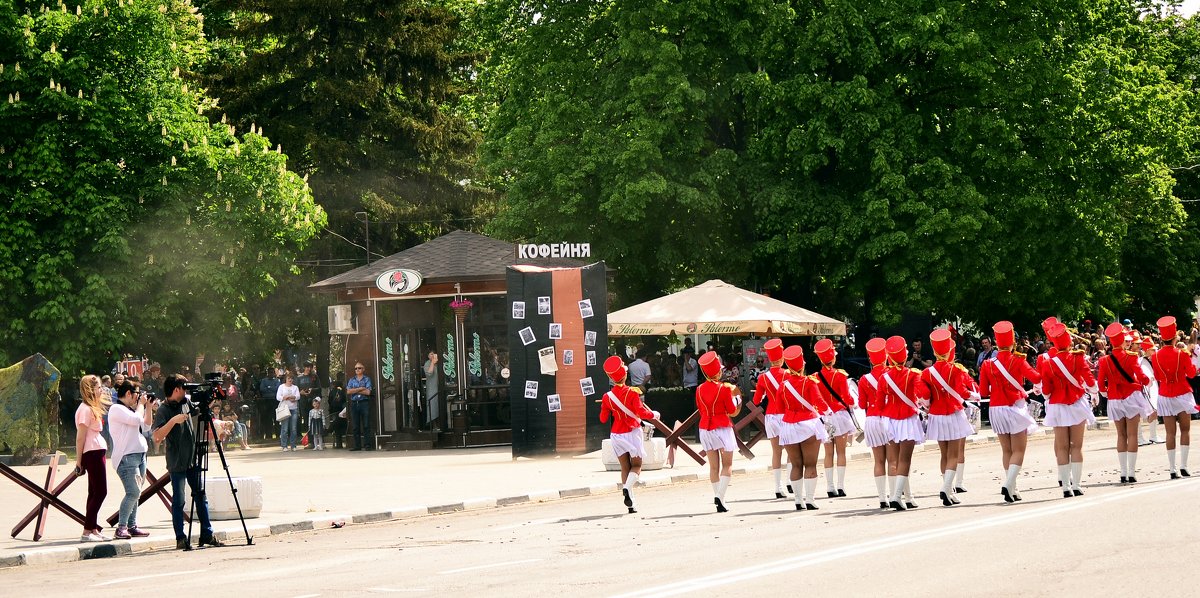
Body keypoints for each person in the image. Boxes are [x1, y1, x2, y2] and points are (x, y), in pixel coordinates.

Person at [152, 374, 226, 550]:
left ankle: (207, 534)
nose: (186, 391)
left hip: (193, 459)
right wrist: (173, 421)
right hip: (176, 461)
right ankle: (180, 537)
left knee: (201, 496)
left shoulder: (186, 402)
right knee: (179, 500)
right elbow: (156, 436)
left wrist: (209, 397)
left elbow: (199, 410)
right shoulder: (164, 409)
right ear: (176, 389)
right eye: (183, 388)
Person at [979, 321, 1042, 503]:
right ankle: (1008, 484)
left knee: (1006, 450)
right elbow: (1036, 377)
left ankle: (1013, 488)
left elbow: (984, 392)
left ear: (997, 343)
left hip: (995, 409)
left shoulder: (987, 364)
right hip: (1014, 407)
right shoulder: (1018, 360)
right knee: (1019, 449)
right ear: (1013, 342)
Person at [1038, 323, 1098, 497]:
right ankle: (1077, 485)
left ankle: (1066, 487)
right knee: (1076, 446)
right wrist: (1094, 393)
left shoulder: (1048, 364)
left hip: (1057, 406)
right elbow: (1090, 381)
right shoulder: (1078, 358)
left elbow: (1046, 392)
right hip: (1077, 404)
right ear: (1070, 343)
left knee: (1062, 447)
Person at [921, 329, 977, 507]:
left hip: (936, 415)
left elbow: (924, 396)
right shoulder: (956, 369)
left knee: (944, 455)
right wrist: (974, 396)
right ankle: (946, 488)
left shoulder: (927, 373)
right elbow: (963, 391)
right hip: (953, 412)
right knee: (954, 454)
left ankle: (950, 489)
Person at [600, 356, 659, 513]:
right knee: (637, 465)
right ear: (625, 375)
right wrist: (653, 414)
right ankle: (627, 488)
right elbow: (640, 412)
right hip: (632, 432)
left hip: (616, 434)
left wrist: (606, 406)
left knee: (624, 466)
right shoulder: (633, 392)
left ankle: (631, 504)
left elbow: (603, 418)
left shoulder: (607, 397)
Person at [1098, 322, 1153, 484]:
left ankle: (1122, 472)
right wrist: (1147, 381)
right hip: (1131, 397)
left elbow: (1101, 383)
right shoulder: (1131, 356)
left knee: (1121, 435)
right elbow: (1141, 377)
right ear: (1122, 340)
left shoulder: (1104, 360)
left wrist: (1107, 392)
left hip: (1115, 399)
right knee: (1132, 434)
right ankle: (1131, 472)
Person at [879, 336, 929, 511]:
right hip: (907, 418)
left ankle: (907, 497)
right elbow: (923, 395)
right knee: (905, 460)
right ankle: (896, 496)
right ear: (905, 353)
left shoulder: (884, 377)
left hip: (890, 419)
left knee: (897, 459)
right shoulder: (914, 374)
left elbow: (879, 403)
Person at [780, 345, 829, 511]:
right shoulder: (809, 382)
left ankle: (798, 501)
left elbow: (780, 407)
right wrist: (829, 413)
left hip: (788, 425)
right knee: (810, 464)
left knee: (795, 465)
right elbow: (819, 402)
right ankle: (810, 499)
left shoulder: (784, 385)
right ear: (802, 364)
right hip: (807, 424)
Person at [1150, 316, 1197, 478]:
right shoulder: (1182, 354)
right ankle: (1183, 466)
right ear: (1175, 337)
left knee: (1170, 433)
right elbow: (1191, 373)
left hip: (1165, 395)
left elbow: (1157, 376)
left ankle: (1172, 469)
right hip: (1182, 393)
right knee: (1185, 430)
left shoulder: (1154, 356)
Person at [108, 381, 154, 538]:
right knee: (132, 492)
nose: (138, 398)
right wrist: (141, 405)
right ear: (128, 393)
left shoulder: (133, 411)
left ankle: (132, 525)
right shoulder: (116, 409)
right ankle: (121, 527)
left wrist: (148, 406)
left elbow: (146, 425)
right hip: (126, 458)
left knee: (137, 493)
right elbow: (136, 420)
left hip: (140, 455)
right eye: (136, 394)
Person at [811, 339, 856, 499]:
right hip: (840, 416)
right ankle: (841, 486)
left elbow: (815, 399)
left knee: (828, 453)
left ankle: (830, 487)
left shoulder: (815, 377)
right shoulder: (840, 375)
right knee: (841, 452)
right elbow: (847, 397)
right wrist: (853, 403)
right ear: (833, 358)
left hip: (824, 417)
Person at [695, 351, 740, 512]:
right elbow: (732, 409)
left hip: (705, 427)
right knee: (727, 464)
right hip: (722, 427)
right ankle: (720, 496)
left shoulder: (699, 389)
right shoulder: (724, 388)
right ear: (719, 371)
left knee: (713, 467)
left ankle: (719, 498)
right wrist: (737, 399)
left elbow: (701, 410)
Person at [750, 338, 788, 498]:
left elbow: (756, 401)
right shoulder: (787, 374)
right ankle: (790, 482)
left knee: (776, 452)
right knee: (792, 451)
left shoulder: (763, 378)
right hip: (787, 416)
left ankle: (778, 487)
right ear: (782, 357)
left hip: (771, 416)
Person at [74, 375, 111, 542]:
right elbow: (80, 438)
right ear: (90, 389)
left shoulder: (90, 408)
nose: (101, 390)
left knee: (94, 492)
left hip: (96, 450)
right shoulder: (85, 410)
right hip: (92, 452)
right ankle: (87, 530)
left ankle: (93, 528)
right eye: (98, 388)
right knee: (101, 492)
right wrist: (78, 461)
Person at [858, 338, 892, 509]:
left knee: (879, 461)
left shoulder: (864, 379)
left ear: (871, 359)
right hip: (890, 419)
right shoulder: (892, 374)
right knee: (893, 460)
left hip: (872, 419)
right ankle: (895, 494)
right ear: (886, 356)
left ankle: (881, 498)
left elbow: (862, 404)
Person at [347, 362, 374, 451]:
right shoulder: (352, 379)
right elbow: (348, 391)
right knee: (355, 426)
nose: (357, 370)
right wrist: (360, 388)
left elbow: (368, 392)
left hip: (364, 403)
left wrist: (354, 390)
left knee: (366, 425)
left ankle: (367, 445)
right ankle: (357, 445)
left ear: (363, 369)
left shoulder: (367, 379)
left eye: (359, 368)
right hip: (355, 403)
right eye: (356, 368)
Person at [276, 374, 301, 451]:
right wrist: (284, 397)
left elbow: (298, 396)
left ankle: (293, 445)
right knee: (285, 428)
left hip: (293, 409)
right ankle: (284, 445)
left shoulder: (295, 387)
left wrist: (293, 397)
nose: (290, 380)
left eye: (291, 378)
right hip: (285, 409)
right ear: (286, 379)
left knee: (293, 428)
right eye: (288, 378)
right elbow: (278, 397)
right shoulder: (281, 387)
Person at [327, 372, 348, 448]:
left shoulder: (332, 391)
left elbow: (329, 400)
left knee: (337, 425)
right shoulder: (343, 391)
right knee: (339, 424)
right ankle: (339, 443)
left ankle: (338, 443)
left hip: (335, 411)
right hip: (342, 410)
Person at [423, 350, 440, 430]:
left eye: (434, 354)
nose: (432, 355)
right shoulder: (427, 363)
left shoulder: (439, 363)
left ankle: (439, 424)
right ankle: (434, 425)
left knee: (438, 406)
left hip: (439, 387)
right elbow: (429, 373)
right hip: (432, 388)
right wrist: (433, 362)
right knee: (432, 405)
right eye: (431, 354)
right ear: (428, 356)